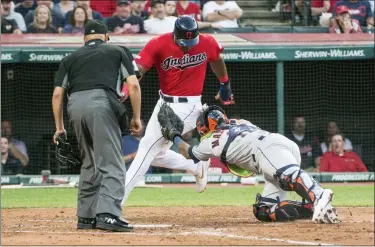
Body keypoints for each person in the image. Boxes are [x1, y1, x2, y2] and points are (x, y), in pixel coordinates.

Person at [121, 15, 234, 205]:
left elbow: (216, 58)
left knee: (146, 151)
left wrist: (225, 84)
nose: (188, 46)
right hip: (163, 102)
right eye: (184, 42)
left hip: (189, 105)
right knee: (156, 155)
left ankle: (115, 202)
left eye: (192, 41)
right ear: (175, 34)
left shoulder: (206, 42)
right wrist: (125, 90)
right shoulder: (158, 43)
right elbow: (138, 70)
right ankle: (195, 165)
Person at [161, 105, 339, 224]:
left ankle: (319, 194)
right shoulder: (241, 122)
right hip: (277, 146)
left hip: (266, 150)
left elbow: (188, 152)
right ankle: (312, 208)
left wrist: (174, 135)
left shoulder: (210, 142)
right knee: (264, 210)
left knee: (287, 175)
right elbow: (225, 124)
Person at [52, 20, 142, 232]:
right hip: (101, 103)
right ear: (106, 36)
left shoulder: (70, 58)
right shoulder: (118, 50)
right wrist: (136, 117)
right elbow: (134, 84)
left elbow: (57, 94)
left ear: (84, 39)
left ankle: (85, 217)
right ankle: (108, 215)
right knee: (111, 162)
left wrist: (59, 128)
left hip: (74, 106)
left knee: (90, 162)